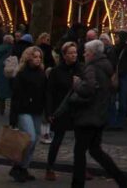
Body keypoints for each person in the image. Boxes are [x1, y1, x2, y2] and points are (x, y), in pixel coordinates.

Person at [71, 39, 127, 188]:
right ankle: (120, 177)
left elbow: (88, 88)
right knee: (95, 150)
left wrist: (77, 84)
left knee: (80, 151)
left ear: (92, 54)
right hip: (100, 113)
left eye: (86, 52)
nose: (83, 54)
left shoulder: (91, 67)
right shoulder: (107, 66)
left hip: (87, 115)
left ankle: (77, 184)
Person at [9, 46, 47, 182]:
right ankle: (17, 165)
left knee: (35, 139)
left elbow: (45, 93)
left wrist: (47, 111)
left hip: (37, 110)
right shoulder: (22, 74)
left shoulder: (42, 74)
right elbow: (16, 96)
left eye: (39, 57)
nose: (37, 60)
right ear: (29, 58)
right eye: (35, 57)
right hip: (23, 109)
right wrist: (13, 117)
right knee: (29, 138)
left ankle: (24, 167)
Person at [45, 41, 82, 181]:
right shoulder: (56, 71)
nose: (74, 56)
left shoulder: (80, 69)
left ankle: (80, 167)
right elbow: (49, 92)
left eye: (75, 53)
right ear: (64, 55)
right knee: (57, 139)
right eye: (71, 53)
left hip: (77, 109)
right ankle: (50, 167)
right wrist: (49, 112)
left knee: (81, 140)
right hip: (62, 108)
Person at [110, 32, 127, 130]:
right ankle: (115, 121)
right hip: (120, 74)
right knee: (116, 99)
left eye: (117, 37)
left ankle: (119, 122)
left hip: (124, 75)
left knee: (122, 99)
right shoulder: (115, 48)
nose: (115, 39)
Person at [0, 33, 15, 116]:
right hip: (10, 71)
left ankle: (1, 108)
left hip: (0, 71)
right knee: (11, 90)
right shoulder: (13, 49)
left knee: (1, 91)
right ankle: (12, 109)